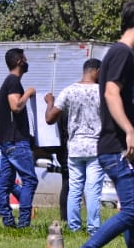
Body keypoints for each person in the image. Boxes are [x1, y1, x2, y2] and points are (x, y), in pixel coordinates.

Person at [58, 0, 134, 248]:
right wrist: (129, 130)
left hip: (126, 148)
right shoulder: (120, 53)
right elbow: (111, 93)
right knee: (132, 211)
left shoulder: (129, 56)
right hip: (117, 147)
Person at [44, 58, 105, 235]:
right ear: (97, 71)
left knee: (75, 188)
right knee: (93, 189)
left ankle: (74, 227)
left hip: (75, 147)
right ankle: (94, 228)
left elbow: (49, 118)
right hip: (96, 147)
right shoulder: (103, 92)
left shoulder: (69, 91)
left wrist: (49, 102)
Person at [0, 47, 38, 228]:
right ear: (20, 61)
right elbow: (16, 106)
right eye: (25, 59)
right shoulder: (13, 81)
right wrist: (28, 92)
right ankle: (24, 223)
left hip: (6, 142)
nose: (27, 62)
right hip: (16, 141)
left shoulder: (8, 81)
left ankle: (8, 221)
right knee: (30, 180)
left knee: (6, 183)